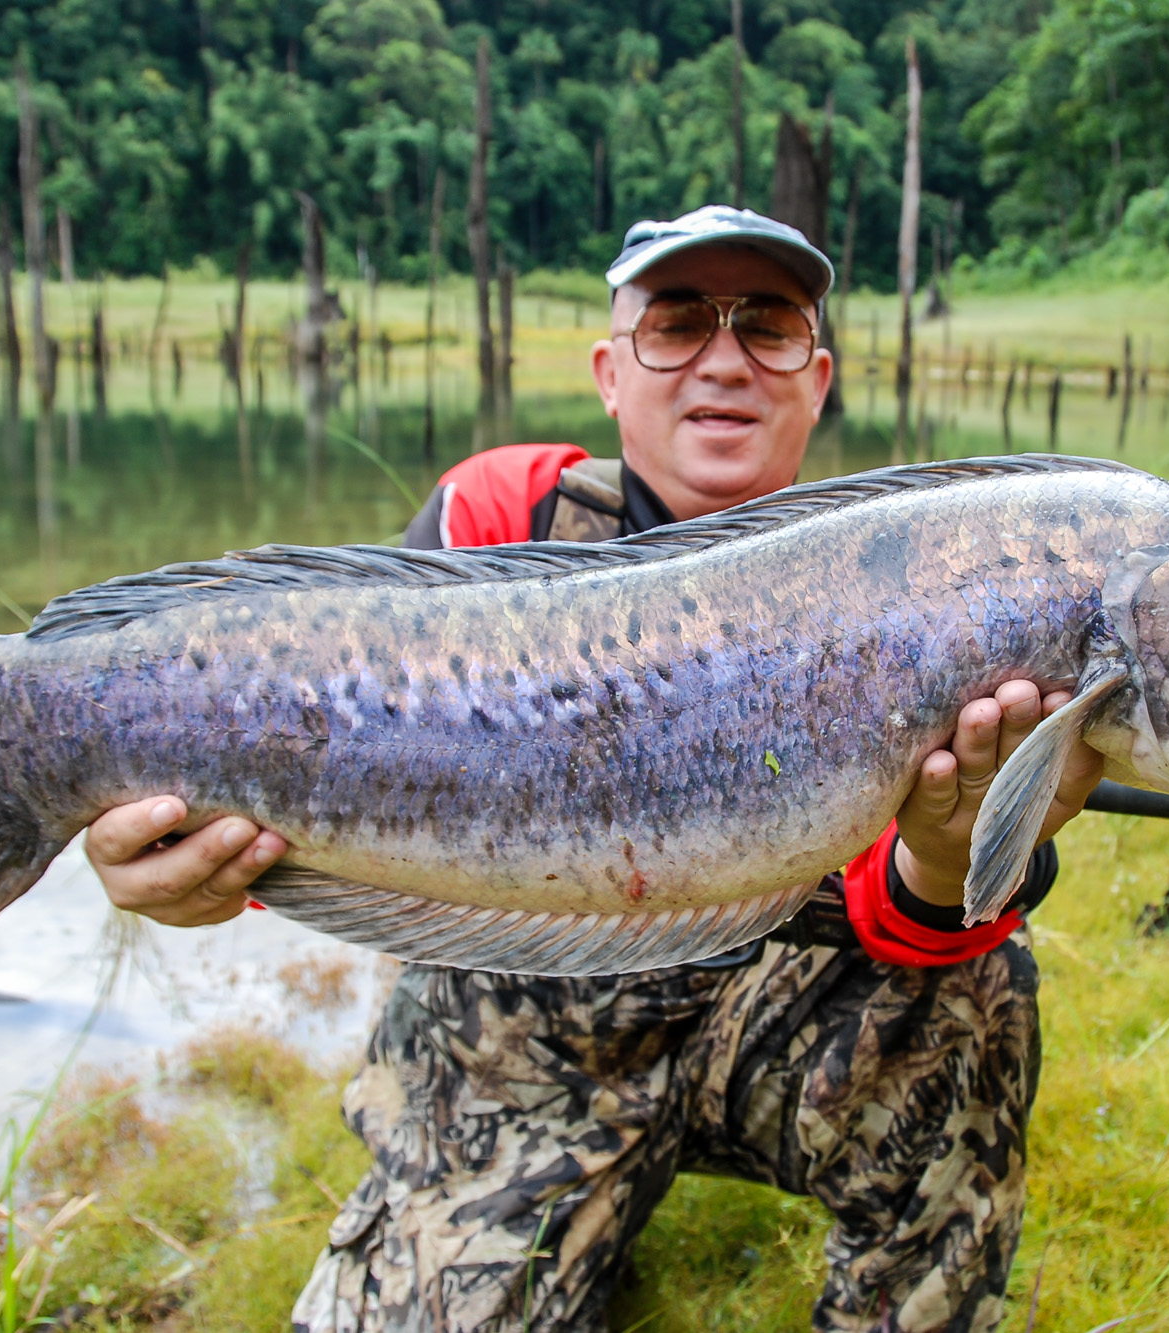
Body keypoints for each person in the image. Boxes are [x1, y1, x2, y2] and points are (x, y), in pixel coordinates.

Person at [86, 206, 1104, 1333]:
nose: (723, 358)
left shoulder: (933, 577)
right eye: (675, 324)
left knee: (983, 985)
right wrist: (197, 866)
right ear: (610, 374)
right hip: (522, 1049)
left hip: (771, 1025)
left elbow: (900, 910)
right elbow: (333, 775)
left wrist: (956, 849)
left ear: (816, 381)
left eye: (765, 327)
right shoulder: (494, 517)